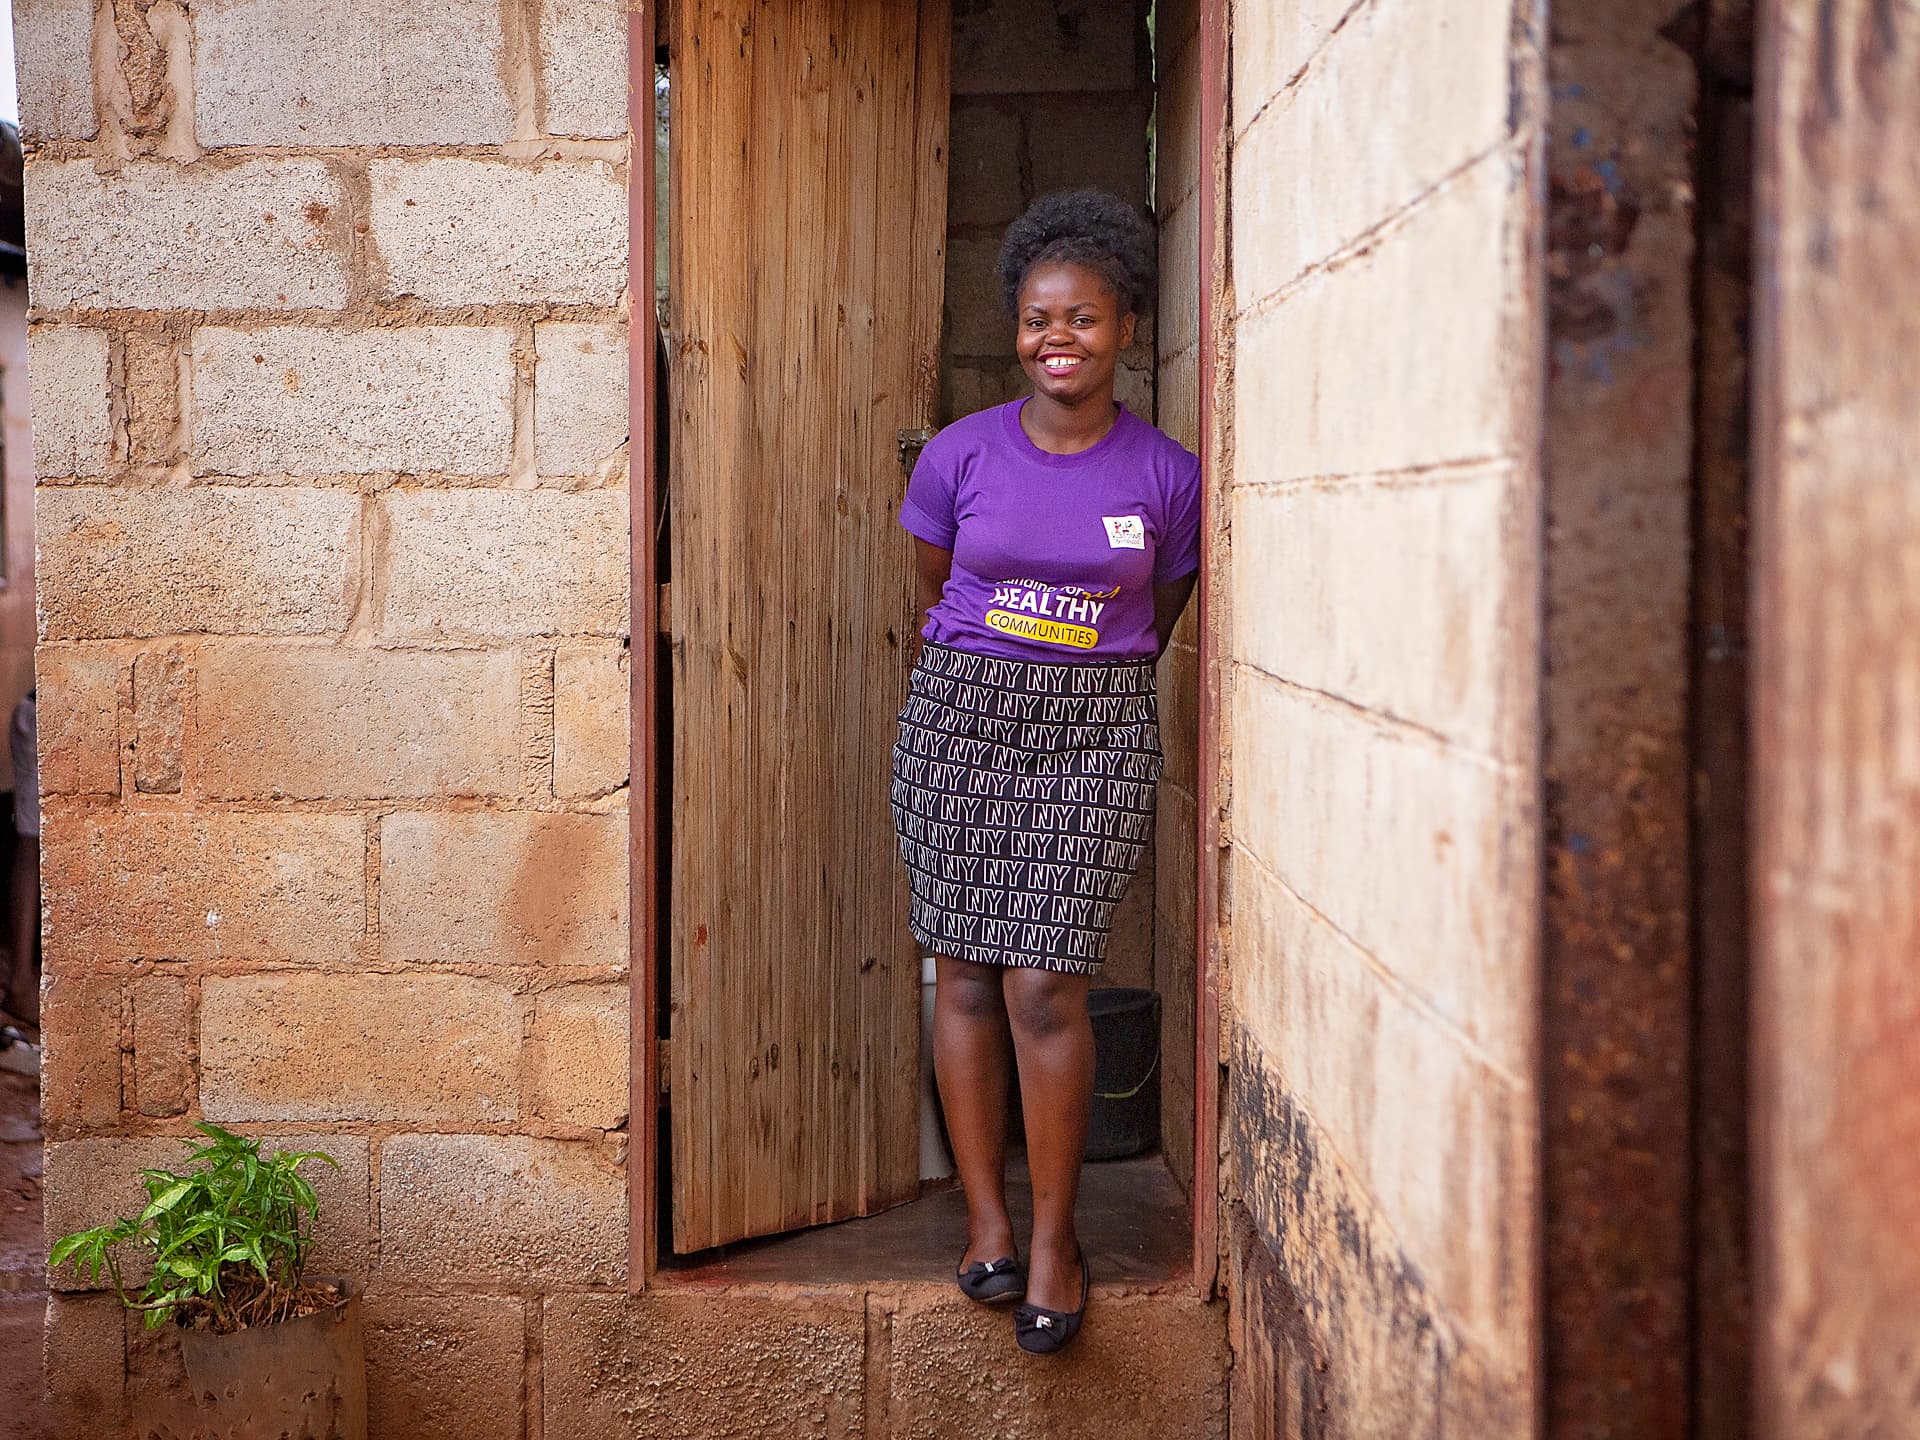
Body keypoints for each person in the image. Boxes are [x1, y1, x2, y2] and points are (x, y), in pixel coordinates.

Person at [891, 190, 1200, 1355]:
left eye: (1081, 316)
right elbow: (935, 592)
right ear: (1016, 330)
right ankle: (987, 1222)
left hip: (1096, 732)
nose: (1055, 336)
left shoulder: (1166, 475)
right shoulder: (963, 453)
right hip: (960, 724)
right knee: (964, 972)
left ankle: (1060, 1236)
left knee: (1043, 983)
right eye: (1035, 318)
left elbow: (1158, 613)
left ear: (1124, 328)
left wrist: (1075, 662)